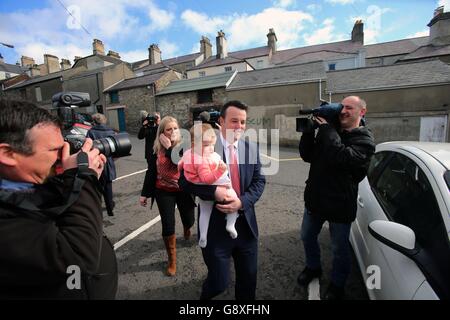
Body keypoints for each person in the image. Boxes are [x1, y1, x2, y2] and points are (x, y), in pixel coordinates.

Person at [0, 98, 117, 299]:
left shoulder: (30, 181)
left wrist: (71, 177)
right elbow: (76, 257)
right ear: (8, 154)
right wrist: (83, 176)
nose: (62, 156)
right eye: (54, 150)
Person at [179, 100, 266, 300]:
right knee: (218, 283)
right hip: (215, 229)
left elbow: (259, 181)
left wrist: (242, 202)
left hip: (245, 226)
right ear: (221, 121)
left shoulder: (251, 147)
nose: (239, 126)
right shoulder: (204, 144)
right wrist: (214, 192)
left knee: (248, 283)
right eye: (234, 121)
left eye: (243, 122)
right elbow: (184, 182)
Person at [298, 95, 375, 300]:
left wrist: (326, 130)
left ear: (362, 112)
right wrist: (308, 132)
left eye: (349, 108)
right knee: (307, 237)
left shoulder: (364, 140)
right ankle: (313, 267)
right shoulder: (329, 132)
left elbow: (342, 158)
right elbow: (308, 155)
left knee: (339, 249)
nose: (342, 111)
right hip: (315, 201)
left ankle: (337, 284)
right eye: (341, 107)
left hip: (340, 206)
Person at [139, 116, 196, 277]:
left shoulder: (185, 144)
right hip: (163, 190)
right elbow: (151, 171)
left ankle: (187, 227)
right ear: (162, 132)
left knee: (188, 218)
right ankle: (172, 260)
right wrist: (144, 194)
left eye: (175, 128)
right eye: (168, 129)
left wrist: (170, 146)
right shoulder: (156, 147)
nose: (172, 132)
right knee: (168, 224)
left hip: (183, 188)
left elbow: (179, 163)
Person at [178, 123, 238, 248]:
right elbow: (207, 179)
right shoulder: (202, 160)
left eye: (212, 144)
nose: (211, 148)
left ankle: (203, 237)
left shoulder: (189, 153)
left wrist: (183, 170)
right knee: (234, 197)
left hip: (199, 183)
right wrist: (220, 170)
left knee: (205, 212)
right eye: (206, 145)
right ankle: (231, 224)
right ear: (195, 144)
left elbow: (180, 164)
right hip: (213, 182)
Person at [87, 113, 117, 217]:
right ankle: (110, 209)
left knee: (97, 188)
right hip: (108, 161)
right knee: (108, 187)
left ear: (94, 121)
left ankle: (97, 212)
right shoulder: (111, 131)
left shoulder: (91, 132)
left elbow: (89, 147)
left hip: (96, 161)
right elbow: (116, 148)